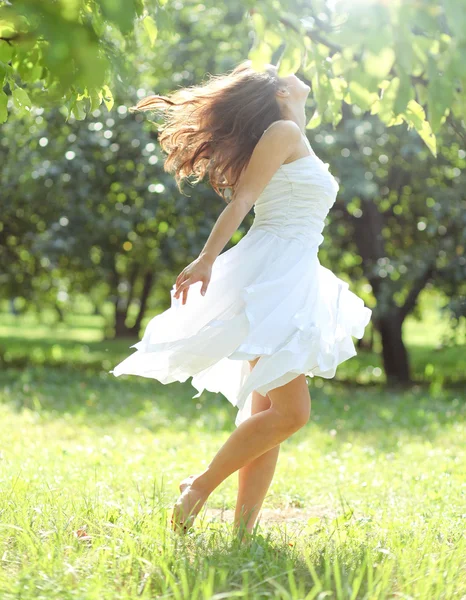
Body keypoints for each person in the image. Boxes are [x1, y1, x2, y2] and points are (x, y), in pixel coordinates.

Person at [109, 60, 372, 541]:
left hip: (292, 270)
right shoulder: (281, 131)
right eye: (282, 70)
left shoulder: (291, 129)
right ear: (276, 94)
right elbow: (242, 201)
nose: (294, 70)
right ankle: (198, 489)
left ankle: (243, 532)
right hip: (272, 275)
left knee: (267, 412)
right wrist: (207, 258)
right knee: (291, 414)